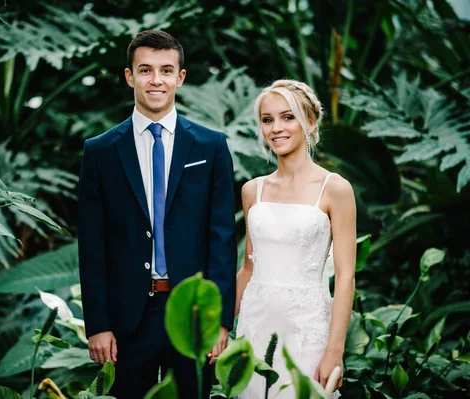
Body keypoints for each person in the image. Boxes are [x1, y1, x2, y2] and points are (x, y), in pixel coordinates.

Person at [77, 30, 237, 399]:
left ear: (180, 78)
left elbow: (223, 238)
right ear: (130, 76)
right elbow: (92, 245)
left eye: (166, 70)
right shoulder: (100, 152)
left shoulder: (211, 146)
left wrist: (220, 319)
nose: (156, 80)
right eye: (145, 70)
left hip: (193, 313)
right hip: (128, 320)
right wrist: (97, 325)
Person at [235, 80, 356, 398]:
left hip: (308, 332)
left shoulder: (335, 188)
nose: (276, 128)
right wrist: (219, 328)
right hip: (254, 328)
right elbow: (248, 269)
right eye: (267, 119)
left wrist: (335, 350)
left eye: (288, 117)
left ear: (311, 122)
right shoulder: (252, 190)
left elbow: (345, 277)